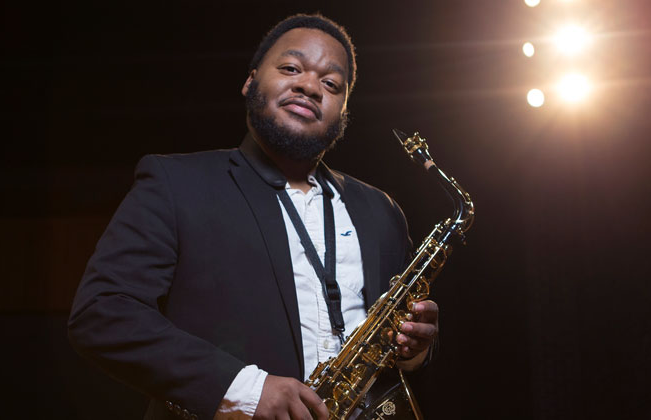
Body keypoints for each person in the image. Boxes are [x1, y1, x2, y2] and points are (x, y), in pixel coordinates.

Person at [68, 13, 439, 420]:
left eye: (331, 84)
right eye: (291, 68)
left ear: (344, 111)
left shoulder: (382, 210)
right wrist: (241, 389)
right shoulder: (176, 183)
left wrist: (413, 353)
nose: (310, 86)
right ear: (251, 81)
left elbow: (398, 346)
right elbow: (102, 313)